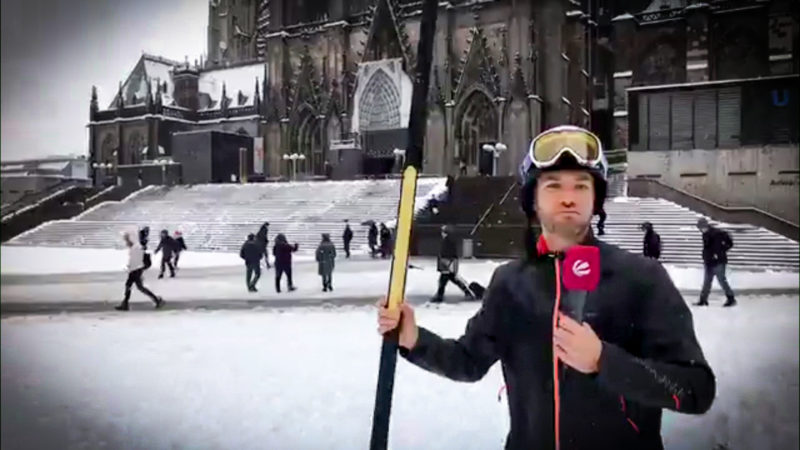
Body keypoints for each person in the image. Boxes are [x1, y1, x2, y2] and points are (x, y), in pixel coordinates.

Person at [376, 125, 715, 449]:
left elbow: (695, 389)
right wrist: (414, 339)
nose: (568, 198)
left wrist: (604, 361)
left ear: (596, 200)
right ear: (532, 200)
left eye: (581, 186)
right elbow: (468, 361)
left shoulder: (642, 278)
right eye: (553, 185)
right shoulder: (510, 283)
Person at [115, 231, 163, 311]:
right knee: (137, 286)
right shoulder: (138, 245)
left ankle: (125, 304)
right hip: (135, 269)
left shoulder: (140, 246)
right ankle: (156, 300)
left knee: (132, 286)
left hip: (136, 269)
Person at [695, 218, 736, 307]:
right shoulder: (705, 234)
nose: (701, 230)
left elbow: (725, 245)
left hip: (718, 261)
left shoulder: (716, 233)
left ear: (705, 226)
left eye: (701, 228)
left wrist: (720, 252)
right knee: (707, 281)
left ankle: (731, 298)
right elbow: (707, 248)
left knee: (721, 280)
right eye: (700, 228)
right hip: (709, 261)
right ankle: (703, 299)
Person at [430, 225, 474, 303]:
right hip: (447, 263)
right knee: (452, 279)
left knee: (443, 281)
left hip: (447, 263)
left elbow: (449, 252)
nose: (441, 233)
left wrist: (447, 262)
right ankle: (467, 292)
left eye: (442, 231)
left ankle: (439, 296)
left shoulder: (448, 241)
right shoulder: (447, 240)